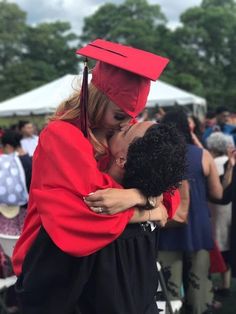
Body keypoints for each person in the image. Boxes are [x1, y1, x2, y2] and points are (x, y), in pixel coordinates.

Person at [13, 39, 171, 314]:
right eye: (120, 114)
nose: (126, 123)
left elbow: (166, 191)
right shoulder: (62, 135)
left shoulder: (122, 135)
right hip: (58, 264)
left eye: (132, 117)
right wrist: (148, 211)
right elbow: (96, 205)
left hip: (112, 269)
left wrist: (134, 196)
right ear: (96, 98)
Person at [158, 109, 223, 314]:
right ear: (188, 129)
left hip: (167, 222)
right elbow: (217, 193)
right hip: (198, 223)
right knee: (198, 282)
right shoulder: (202, 155)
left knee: (170, 286)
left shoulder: (158, 156)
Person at [206, 132, 235, 296]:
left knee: (218, 246)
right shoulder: (229, 162)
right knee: (227, 245)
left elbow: (215, 191)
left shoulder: (214, 163)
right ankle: (226, 284)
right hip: (229, 210)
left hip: (216, 210)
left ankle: (213, 285)